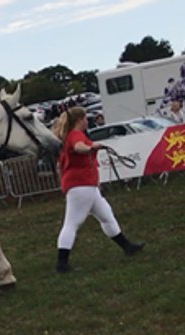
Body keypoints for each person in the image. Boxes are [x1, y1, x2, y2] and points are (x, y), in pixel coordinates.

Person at [50, 105, 143, 273]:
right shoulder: (75, 135)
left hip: (86, 185)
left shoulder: (70, 135)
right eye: (85, 118)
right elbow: (79, 147)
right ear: (79, 120)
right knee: (71, 224)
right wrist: (91, 147)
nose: (87, 121)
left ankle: (127, 246)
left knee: (106, 216)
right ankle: (61, 264)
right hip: (81, 185)